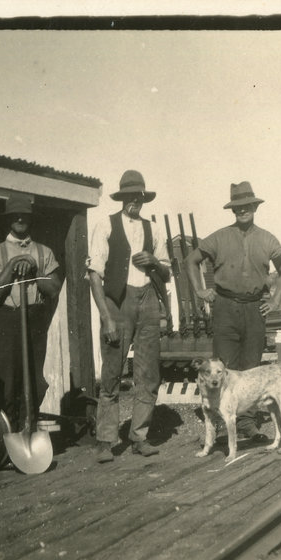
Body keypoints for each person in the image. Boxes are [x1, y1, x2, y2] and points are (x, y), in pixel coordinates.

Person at [185, 181, 281, 441]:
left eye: (246, 206)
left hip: (255, 308)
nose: (242, 211)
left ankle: (246, 423)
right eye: (237, 208)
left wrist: (275, 300)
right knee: (222, 367)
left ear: (255, 206)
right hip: (225, 308)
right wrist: (200, 291)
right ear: (233, 210)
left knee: (252, 368)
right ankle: (221, 422)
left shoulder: (267, 238)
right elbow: (191, 260)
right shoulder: (219, 237)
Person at [87, 170, 171, 463]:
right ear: (122, 198)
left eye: (139, 196)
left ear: (143, 198)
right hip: (117, 303)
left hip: (147, 299)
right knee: (112, 372)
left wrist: (153, 263)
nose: (134, 201)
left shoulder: (155, 230)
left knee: (148, 374)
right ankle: (106, 441)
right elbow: (94, 276)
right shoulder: (105, 226)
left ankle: (139, 437)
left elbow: (166, 270)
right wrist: (107, 317)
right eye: (129, 196)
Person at [0, 193, 63, 437]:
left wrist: (35, 268)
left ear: (30, 219)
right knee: (8, 380)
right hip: (7, 318)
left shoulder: (44, 252)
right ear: (8, 220)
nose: (19, 220)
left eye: (24, 216)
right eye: (15, 216)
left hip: (36, 317)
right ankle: (11, 435)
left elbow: (54, 288)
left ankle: (30, 427)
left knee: (36, 380)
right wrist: (14, 264)